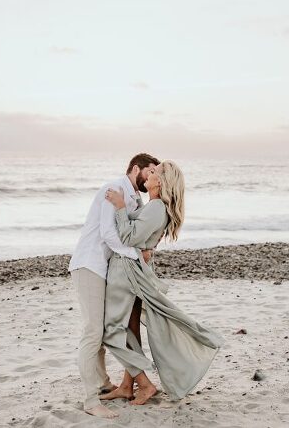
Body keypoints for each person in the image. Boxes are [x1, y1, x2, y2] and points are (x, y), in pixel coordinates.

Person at [101, 161, 223, 404]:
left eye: (155, 172)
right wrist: (144, 246)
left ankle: (144, 384)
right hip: (133, 270)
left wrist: (120, 206)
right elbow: (141, 238)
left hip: (128, 273)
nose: (150, 173)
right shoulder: (154, 206)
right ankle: (128, 386)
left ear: (161, 182)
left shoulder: (157, 208)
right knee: (130, 327)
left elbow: (128, 236)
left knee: (111, 329)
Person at [67, 152, 159, 419]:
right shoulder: (114, 188)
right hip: (89, 264)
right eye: (151, 170)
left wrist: (146, 248)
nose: (152, 176)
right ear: (136, 168)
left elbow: (134, 231)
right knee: (93, 332)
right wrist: (136, 255)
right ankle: (90, 401)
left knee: (102, 331)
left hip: (105, 269)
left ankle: (104, 383)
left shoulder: (134, 198)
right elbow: (109, 233)